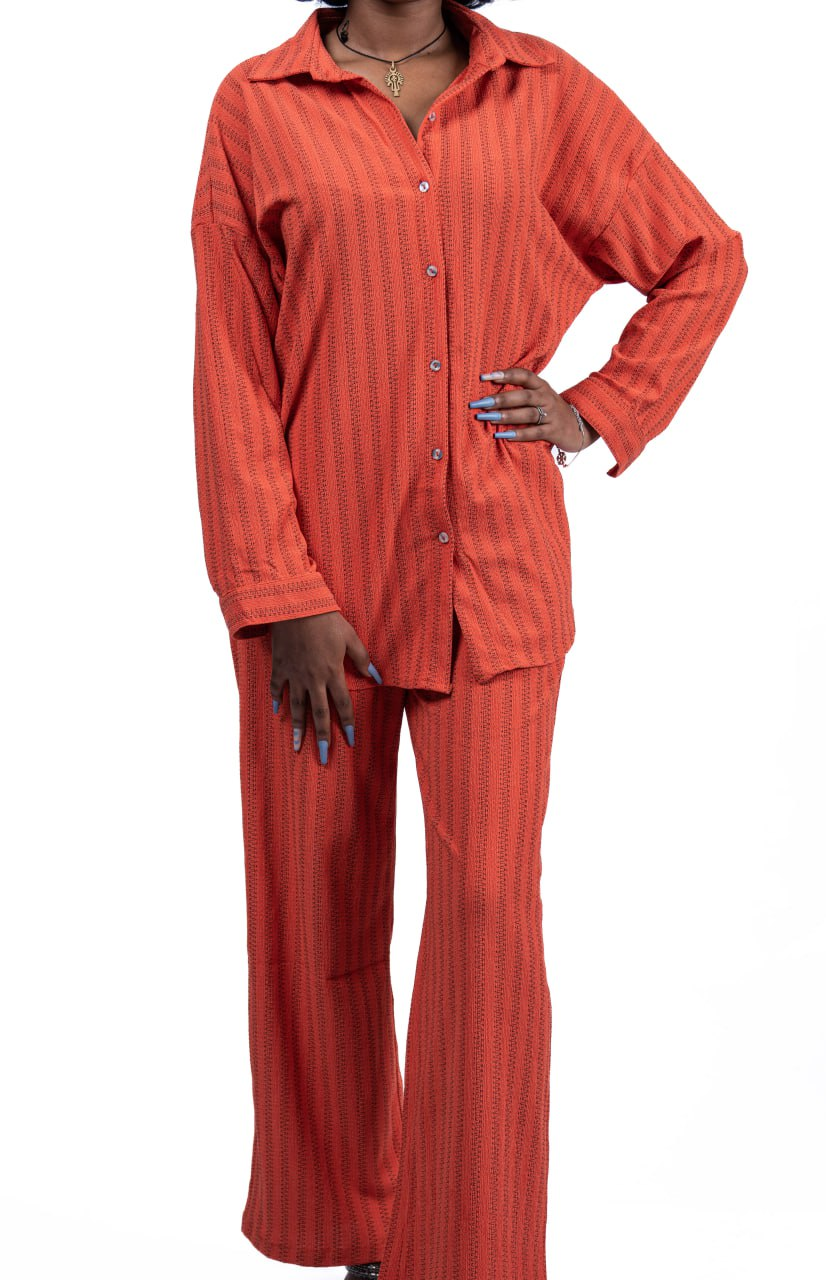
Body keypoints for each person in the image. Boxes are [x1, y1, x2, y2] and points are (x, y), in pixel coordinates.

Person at [188, 1, 747, 1276]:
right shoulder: (255, 104)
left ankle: (469, 1251)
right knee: (314, 907)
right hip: (310, 585)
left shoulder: (542, 90)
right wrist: (277, 591)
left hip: (493, 570)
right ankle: (353, 1228)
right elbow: (232, 364)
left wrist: (599, 406)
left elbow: (702, 254)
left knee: (488, 914)